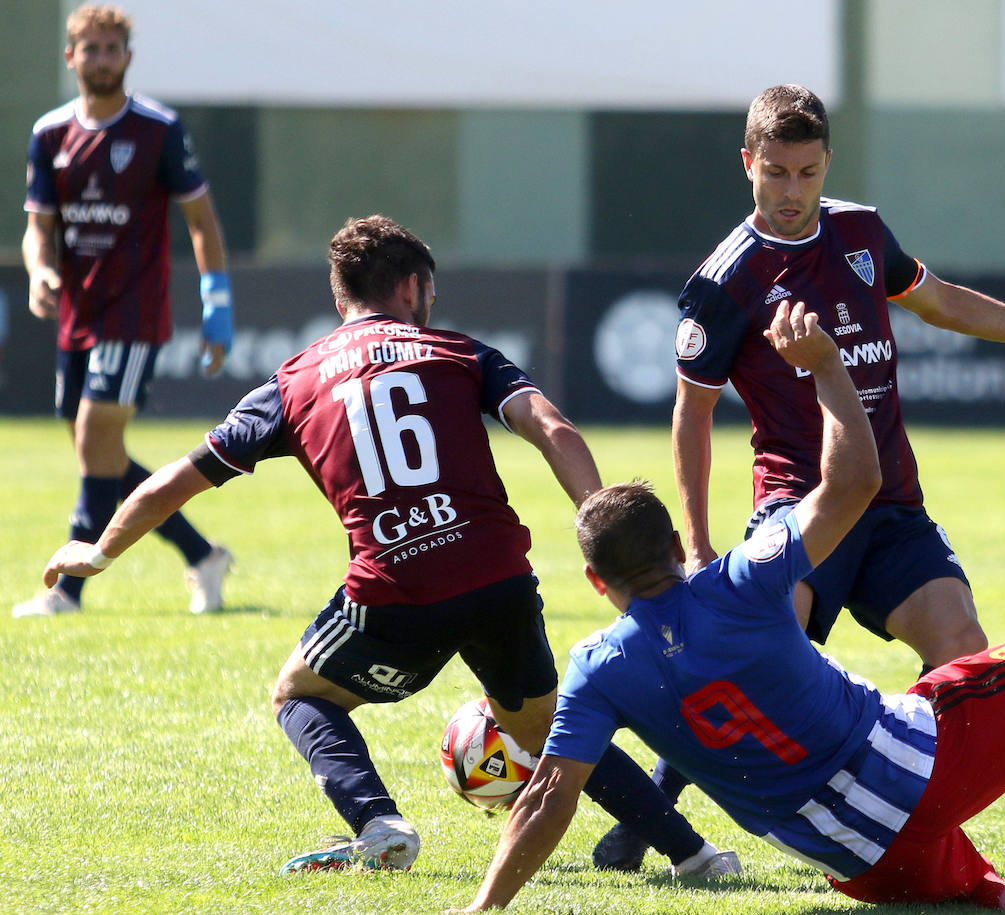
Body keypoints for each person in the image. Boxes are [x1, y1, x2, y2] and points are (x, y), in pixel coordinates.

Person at [459, 301, 1005, 915]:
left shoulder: (597, 668)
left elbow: (544, 801)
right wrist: (828, 367)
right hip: (913, 776)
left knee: (945, 871)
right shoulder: (745, 575)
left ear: (595, 584)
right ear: (677, 553)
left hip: (850, 860)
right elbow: (858, 484)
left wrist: (483, 910)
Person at [41, 214, 738, 878]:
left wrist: (97, 553)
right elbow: (550, 426)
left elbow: (174, 483)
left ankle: (379, 824)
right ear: (410, 288)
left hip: (394, 590)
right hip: (497, 573)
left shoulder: (291, 383)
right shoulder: (461, 352)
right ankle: (695, 855)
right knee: (544, 731)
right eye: (428, 290)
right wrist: (600, 529)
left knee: (298, 693)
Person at [596, 81, 1005, 870]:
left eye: (807, 173)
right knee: (752, 655)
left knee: (962, 648)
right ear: (747, 162)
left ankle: (915, 806)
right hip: (801, 503)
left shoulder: (860, 231)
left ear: (826, 165)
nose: (791, 193)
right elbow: (692, 417)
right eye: (775, 173)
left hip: (890, 503)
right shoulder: (724, 283)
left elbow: (942, 301)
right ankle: (648, 819)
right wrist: (703, 544)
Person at [16, 4, 234, 618]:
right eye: (92, 49)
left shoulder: (158, 130)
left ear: (128, 58)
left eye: (113, 49)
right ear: (71, 57)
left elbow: (200, 220)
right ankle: (202, 553)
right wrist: (40, 269)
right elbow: (38, 228)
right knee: (98, 451)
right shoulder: (50, 134)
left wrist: (217, 307)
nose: (103, 59)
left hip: (134, 313)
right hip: (78, 314)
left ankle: (68, 590)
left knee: (94, 436)